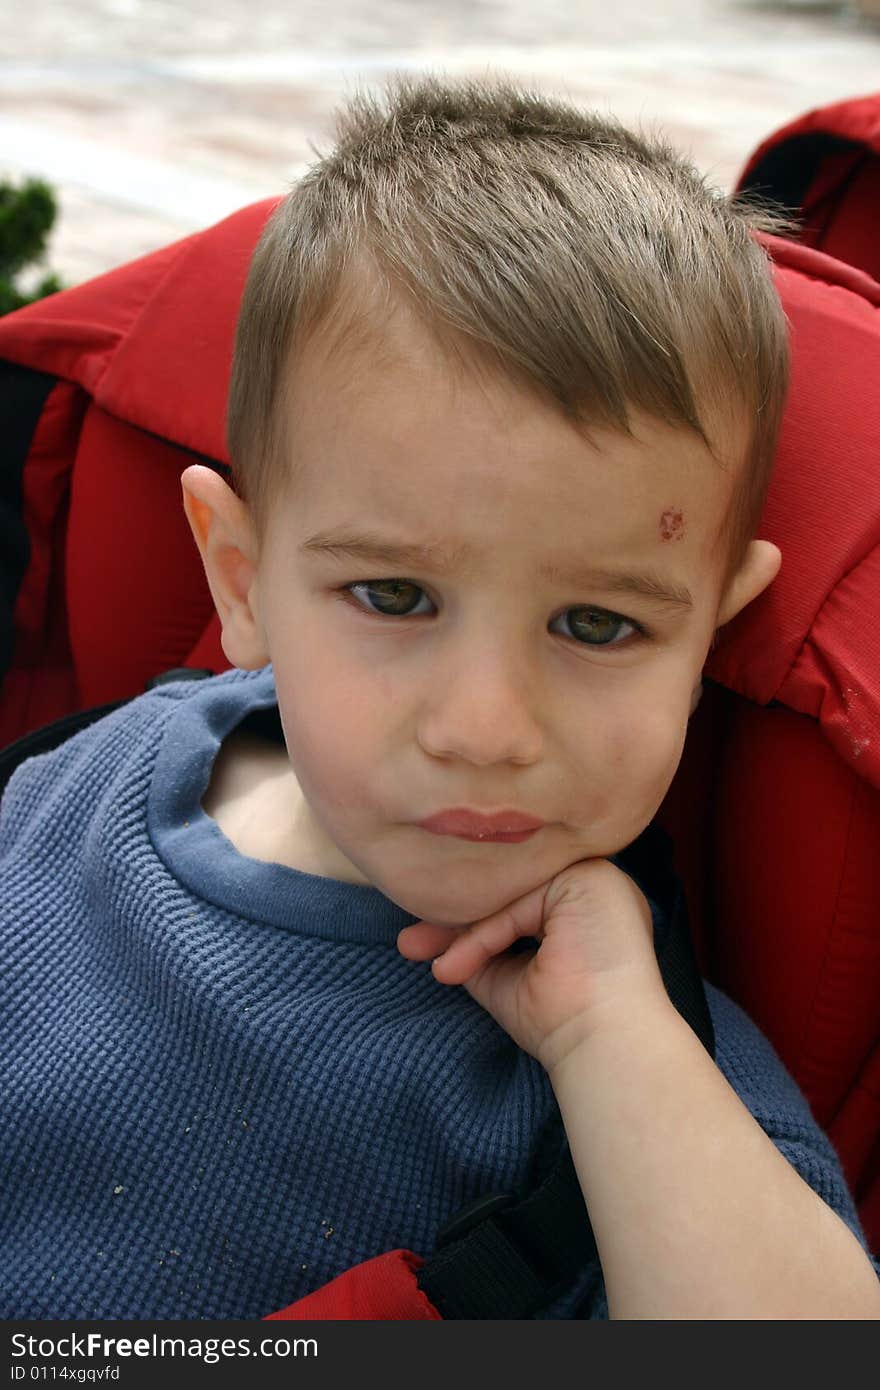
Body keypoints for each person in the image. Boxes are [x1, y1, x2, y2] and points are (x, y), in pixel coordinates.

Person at [2, 74, 878, 1321]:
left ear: (712, 631)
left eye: (598, 623)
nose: (485, 729)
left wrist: (607, 1045)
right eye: (394, 599)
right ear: (239, 579)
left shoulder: (632, 1079)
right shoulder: (73, 783)